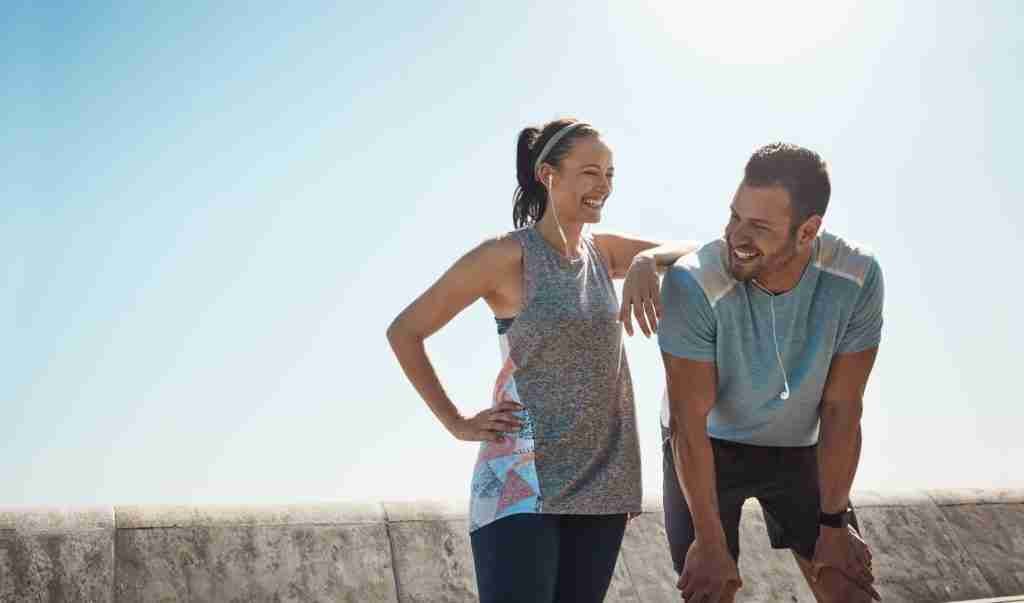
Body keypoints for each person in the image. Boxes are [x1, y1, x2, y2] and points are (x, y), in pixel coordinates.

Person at [386, 117, 696, 602]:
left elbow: (702, 254)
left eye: (610, 174)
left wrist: (643, 262)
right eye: (590, 172)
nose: (603, 186)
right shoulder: (505, 257)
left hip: (603, 482)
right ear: (548, 174)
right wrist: (457, 422)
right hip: (522, 482)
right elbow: (405, 331)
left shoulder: (604, 253)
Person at [622, 143, 884, 602]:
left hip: (798, 445)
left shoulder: (856, 277)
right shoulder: (694, 282)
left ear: (808, 231)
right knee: (711, 584)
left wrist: (834, 522)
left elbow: (843, 408)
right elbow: (689, 422)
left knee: (848, 584)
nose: (737, 236)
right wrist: (708, 540)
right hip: (707, 445)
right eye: (734, 217)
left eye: (759, 227)